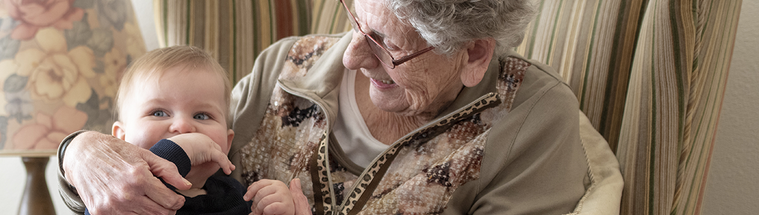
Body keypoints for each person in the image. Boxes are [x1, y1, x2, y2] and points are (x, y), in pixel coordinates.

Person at [56, 0, 622, 214]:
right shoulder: (288, 66)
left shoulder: (530, 120)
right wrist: (77, 154)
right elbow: (165, 151)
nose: (351, 54)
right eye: (355, 17)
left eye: (386, 43)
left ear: (473, 54)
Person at [74, 45, 305, 215]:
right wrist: (178, 151)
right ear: (120, 141)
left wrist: (276, 209)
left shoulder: (236, 195)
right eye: (159, 113)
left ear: (225, 144)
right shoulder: (124, 196)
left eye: (202, 116)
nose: (183, 127)